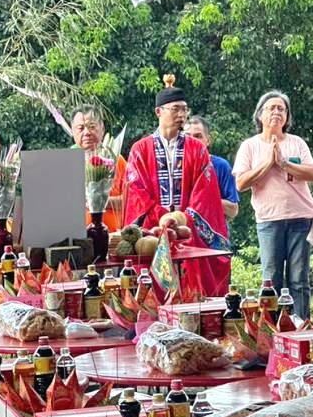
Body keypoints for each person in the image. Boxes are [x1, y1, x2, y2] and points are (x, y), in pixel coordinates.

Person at [124, 74, 230, 296]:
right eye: (175, 109)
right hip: (153, 233)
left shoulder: (197, 149)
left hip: (187, 233)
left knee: (192, 294)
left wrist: (181, 219)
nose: (182, 115)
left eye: (184, 109)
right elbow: (137, 193)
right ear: (158, 112)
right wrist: (161, 217)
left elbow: (205, 194)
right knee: (153, 292)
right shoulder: (140, 150)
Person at [234, 91, 313, 317]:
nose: (276, 112)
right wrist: (267, 164)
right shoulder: (250, 146)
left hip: (300, 217)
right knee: (271, 278)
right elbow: (241, 183)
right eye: (271, 108)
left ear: (287, 117)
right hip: (269, 220)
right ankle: (271, 330)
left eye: (281, 109)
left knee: (299, 279)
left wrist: (283, 163)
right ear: (260, 115)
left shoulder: (297, 143)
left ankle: (301, 326)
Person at [70, 104, 127, 231]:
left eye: (92, 127)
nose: (87, 133)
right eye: (80, 128)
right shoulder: (66, 164)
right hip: (76, 240)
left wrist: (99, 201)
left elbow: (131, 200)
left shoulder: (117, 161)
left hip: (113, 237)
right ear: (73, 131)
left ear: (102, 129)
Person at [185, 116, 239, 220]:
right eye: (187, 136)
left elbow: (233, 210)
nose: (192, 140)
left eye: (198, 136)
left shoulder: (220, 166)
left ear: (208, 140)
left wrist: (206, 199)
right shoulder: (173, 166)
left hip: (213, 232)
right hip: (182, 231)